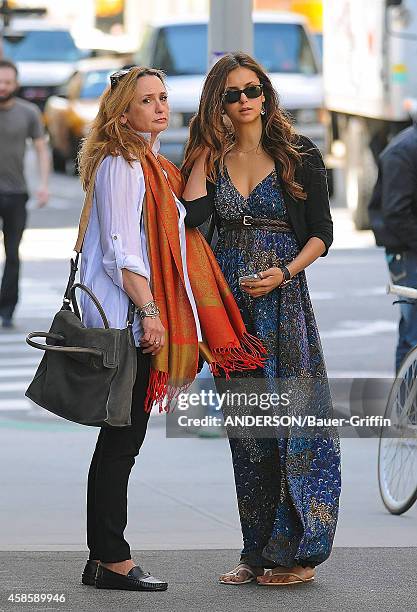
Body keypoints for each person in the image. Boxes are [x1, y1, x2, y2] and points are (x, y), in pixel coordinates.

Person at [76, 65, 265, 592]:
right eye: (146, 100)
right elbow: (120, 248)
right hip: (127, 319)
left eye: (163, 97)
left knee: (123, 439)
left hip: (137, 317)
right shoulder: (122, 163)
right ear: (122, 111)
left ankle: (105, 557)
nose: (160, 107)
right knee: (120, 441)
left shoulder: (152, 163)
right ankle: (110, 560)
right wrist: (151, 311)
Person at [181, 52, 341, 586]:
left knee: (294, 428)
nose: (244, 100)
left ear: (266, 95)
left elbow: (321, 231)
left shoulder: (299, 154)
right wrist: (202, 154)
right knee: (248, 435)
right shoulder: (212, 157)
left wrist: (285, 273)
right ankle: (256, 551)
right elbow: (195, 220)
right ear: (216, 103)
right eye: (231, 94)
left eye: (252, 90)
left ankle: (298, 553)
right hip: (232, 316)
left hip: (284, 308)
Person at [0, 59, 49, 328]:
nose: (2, 87)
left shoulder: (28, 113)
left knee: (13, 252)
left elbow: (42, 149)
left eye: (7, 82)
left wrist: (44, 184)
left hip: (16, 193)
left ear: (16, 84)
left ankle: (7, 307)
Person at [369, 105, 417, 373]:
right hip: (406, 252)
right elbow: (396, 214)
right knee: (414, 334)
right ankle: (407, 409)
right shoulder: (403, 152)